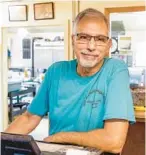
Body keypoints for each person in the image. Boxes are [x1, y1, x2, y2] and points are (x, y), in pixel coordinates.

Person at [5, 8, 135, 154]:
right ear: (73, 39)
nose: (91, 47)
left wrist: (61, 137)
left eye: (100, 39)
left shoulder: (116, 70)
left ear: (108, 45)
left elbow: (113, 141)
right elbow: (29, 117)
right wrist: (3, 142)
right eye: (84, 37)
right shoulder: (56, 72)